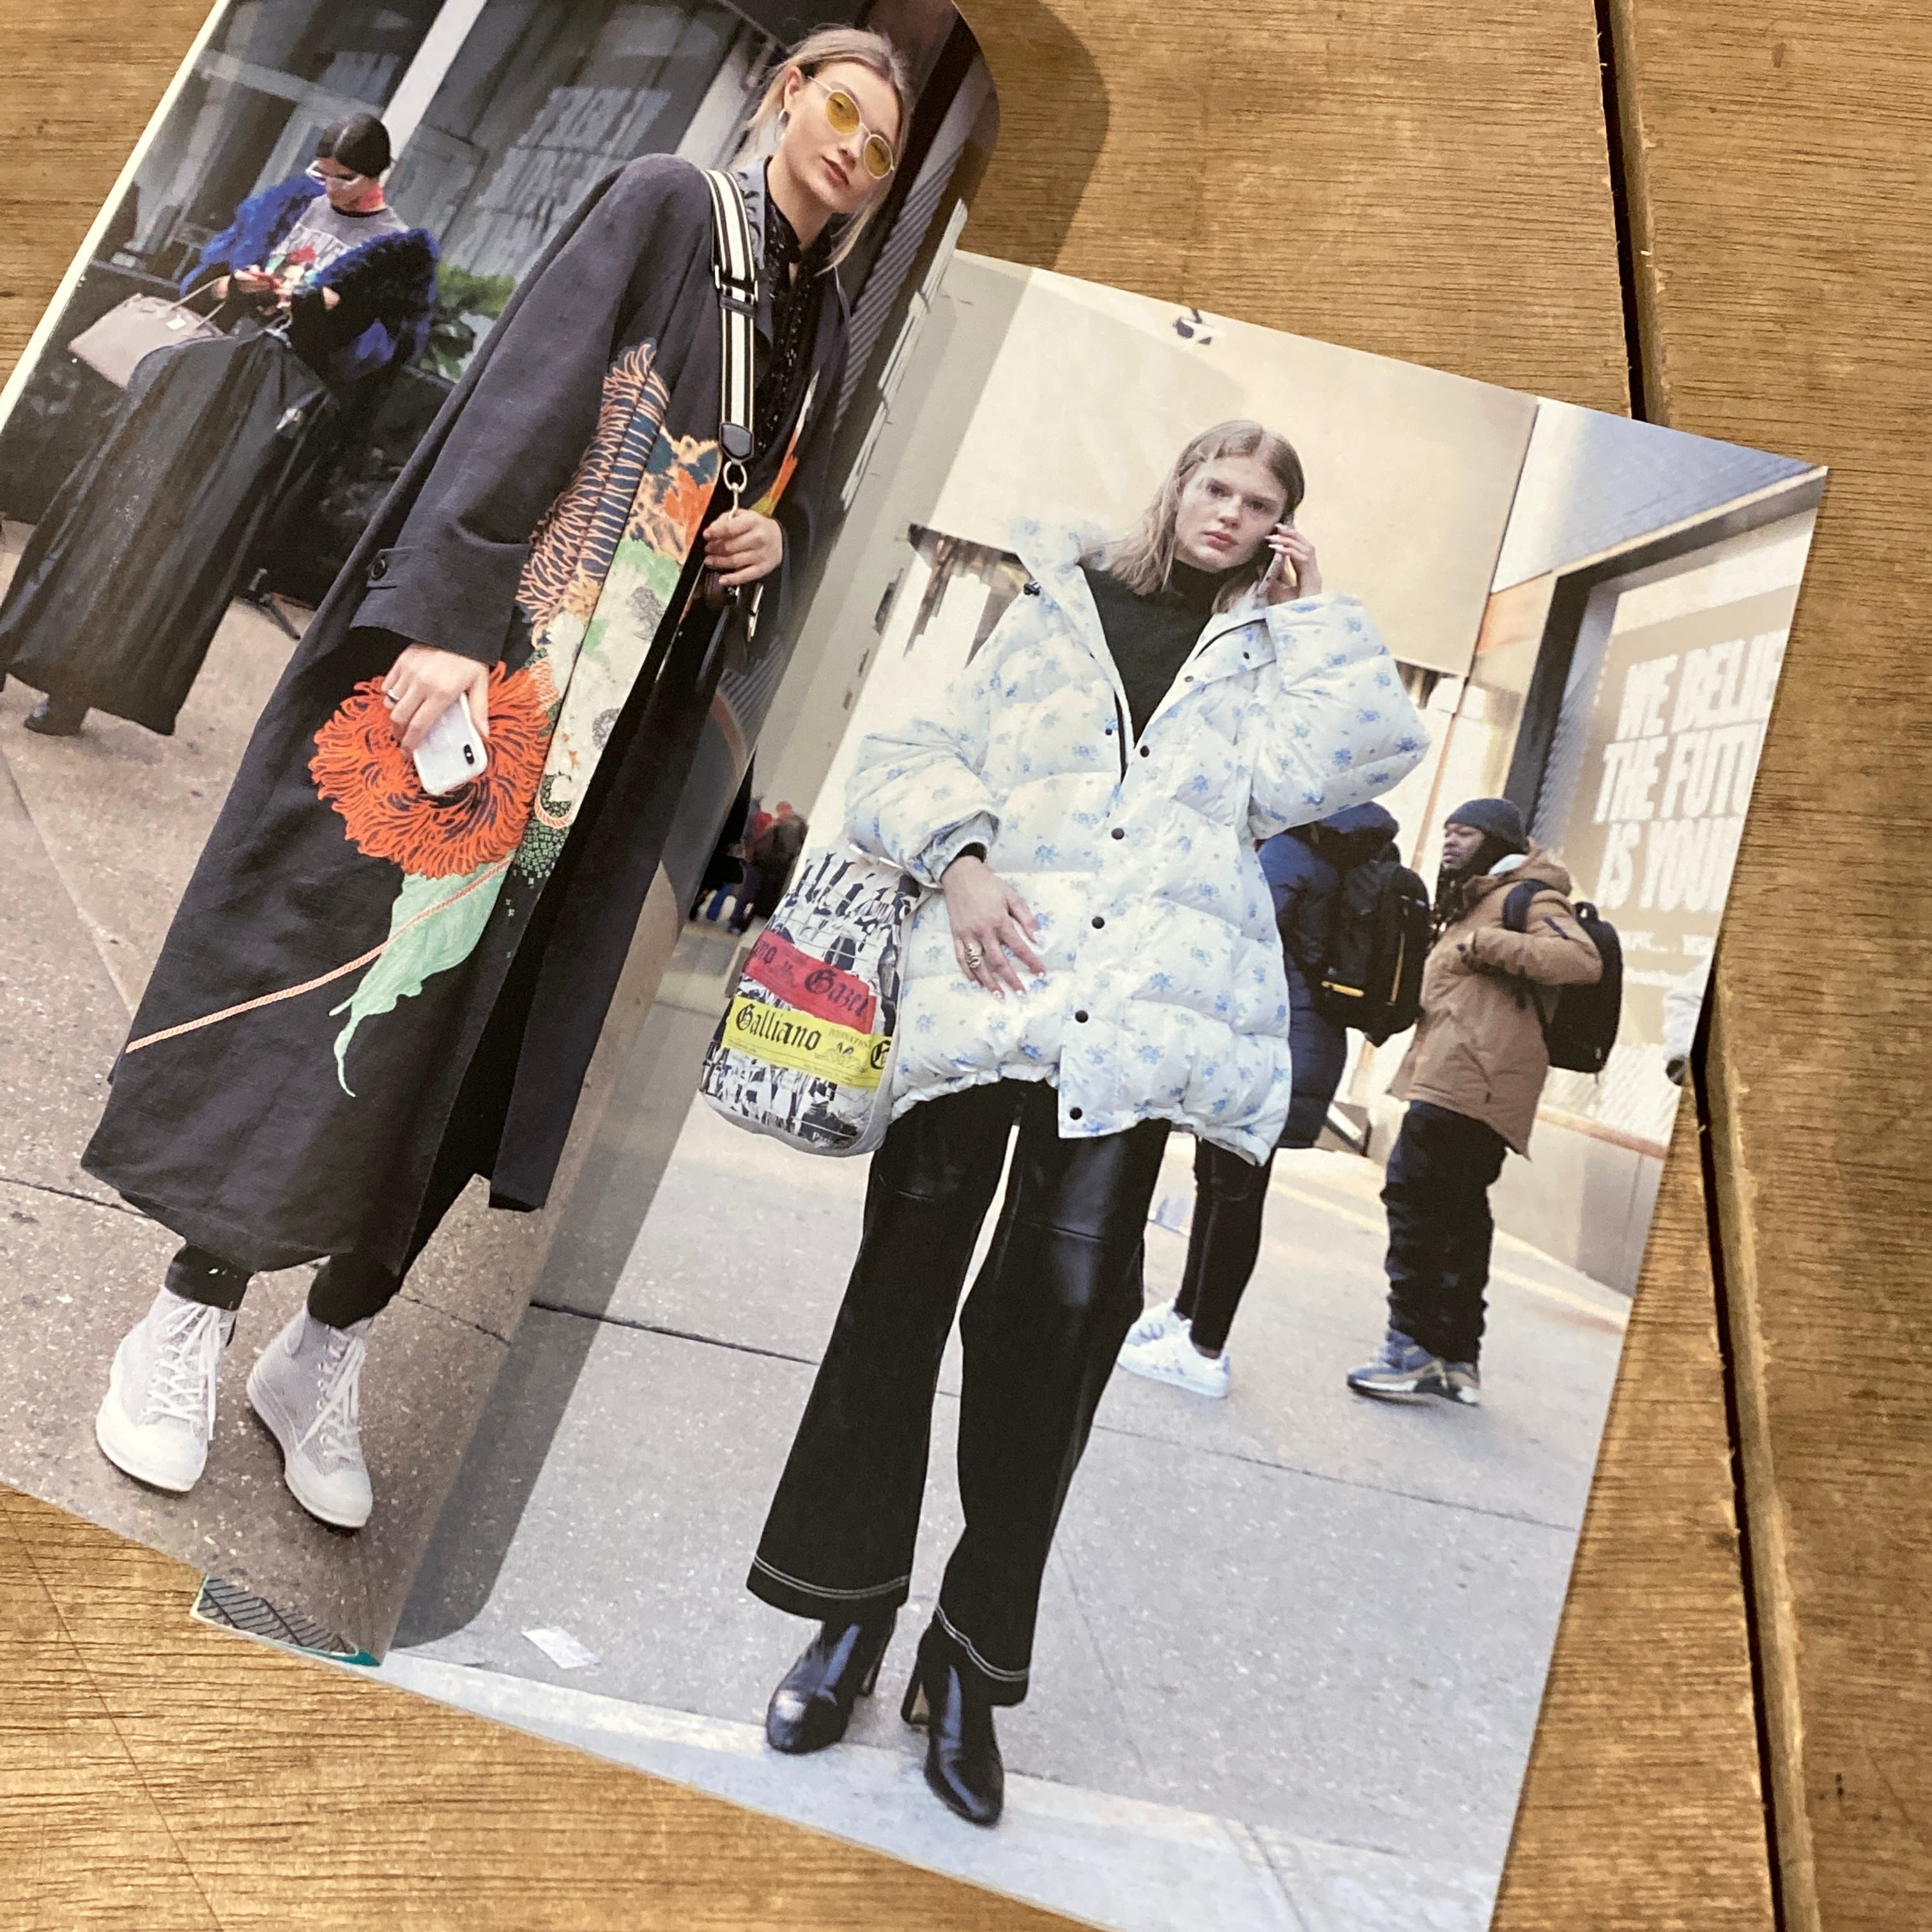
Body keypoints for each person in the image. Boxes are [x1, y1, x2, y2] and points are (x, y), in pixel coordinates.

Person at [83, 29, 906, 1531]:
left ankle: (326, 1345)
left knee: (485, 1031)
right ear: (789, 93)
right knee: (350, 969)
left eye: (884, 143)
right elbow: (530, 392)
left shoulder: (827, 330)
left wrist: (776, 537)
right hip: (509, 669)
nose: (854, 148)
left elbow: (801, 496)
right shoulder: (668, 204)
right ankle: (187, 1314)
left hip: (625, 726)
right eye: (840, 108)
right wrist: (448, 622)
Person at [746, 419, 1427, 1826]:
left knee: (1056, 1335)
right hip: (985, 993)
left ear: (1282, 527)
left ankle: (969, 1662)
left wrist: (1313, 617)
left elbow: (1350, 761)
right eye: (1215, 486)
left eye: (1260, 503)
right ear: (1175, 486)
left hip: (1126, 1037)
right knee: (894, 1306)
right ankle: (846, 1617)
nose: (1229, 513)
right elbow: (914, 751)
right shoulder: (1055, 602)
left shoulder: (1264, 652)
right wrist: (963, 859)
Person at [0, 115, 440, 737]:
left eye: (346, 178)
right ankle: (11, 640)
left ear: (378, 175)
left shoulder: (398, 254)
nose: (332, 188)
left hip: (273, 407)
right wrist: (238, 284)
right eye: (324, 174)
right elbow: (206, 281)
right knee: (98, 503)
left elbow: (374, 362)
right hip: (207, 376)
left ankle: (74, 687)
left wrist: (316, 310)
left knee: (178, 544)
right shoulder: (290, 205)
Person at [1116, 801, 1401, 1397]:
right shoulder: (1333, 853)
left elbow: (1234, 941)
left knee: (1235, 1195)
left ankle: (1205, 1352)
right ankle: (1188, 1315)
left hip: (1269, 1047)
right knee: (1221, 1185)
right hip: (1300, 1046)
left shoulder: (1290, 851)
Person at [1346, 798, 1602, 1408]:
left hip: (1472, 1082)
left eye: (1466, 833)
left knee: (1414, 1203)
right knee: (1459, 1218)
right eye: (1449, 832)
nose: (1452, 842)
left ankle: (1409, 1348)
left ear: (1498, 842)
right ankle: (1457, 1356)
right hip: (1462, 1078)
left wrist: (1488, 943)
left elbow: (1581, 960)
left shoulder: (1529, 898)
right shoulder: (1477, 898)